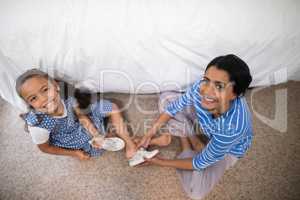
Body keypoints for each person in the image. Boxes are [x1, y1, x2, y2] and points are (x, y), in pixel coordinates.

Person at [137, 54, 253, 199]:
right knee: (166, 98)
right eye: (207, 80)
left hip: (228, 149)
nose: (206, 90)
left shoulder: (233, 128)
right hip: (207, 124)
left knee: (196, 193)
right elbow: (174, 107)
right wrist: (149, 134)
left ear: (235, 94)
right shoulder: (202, 87)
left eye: (219, 86)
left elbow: (199, 163)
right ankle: (191, 139)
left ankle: (186, 144)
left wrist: (161, 162)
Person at [15, 69, 137, 160]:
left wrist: (96, 134)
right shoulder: (37, 125)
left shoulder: (65, 95)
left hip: (79, 120)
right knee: (96, 150)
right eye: (33, 98)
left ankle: (130, 145)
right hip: (70, 135)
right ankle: (108, 134)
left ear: (56, 85)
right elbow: (45, 148)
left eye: (45, 89)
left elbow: (81, 117)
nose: (44, 99)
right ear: (29, 103)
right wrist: (75, 153)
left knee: (112, 107)